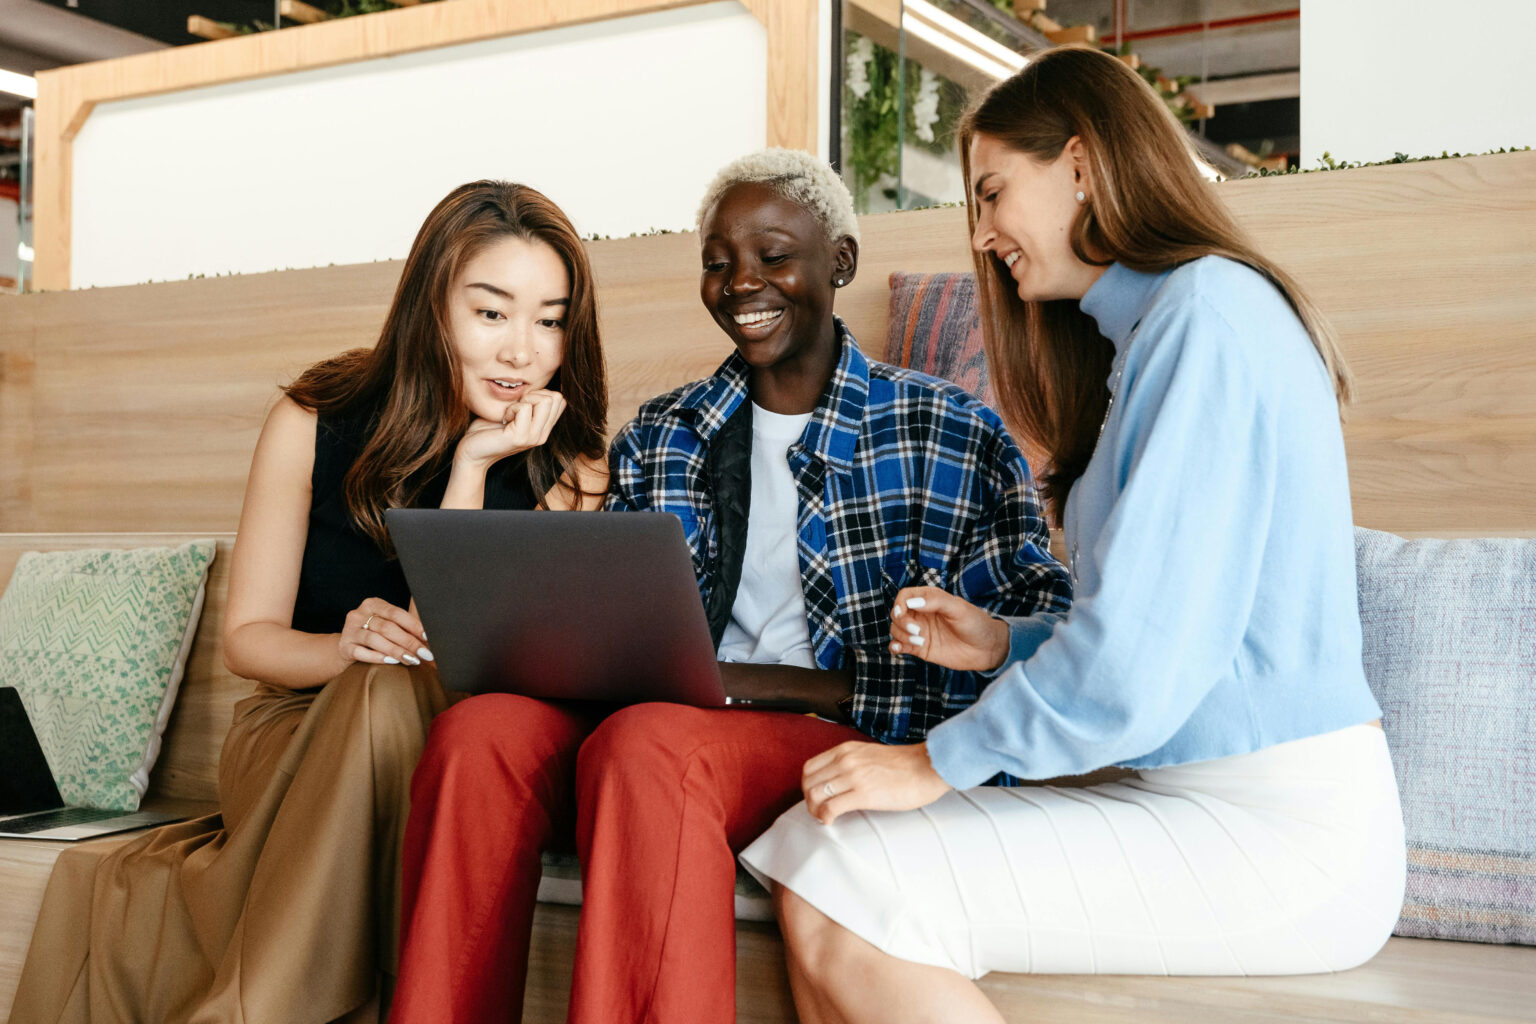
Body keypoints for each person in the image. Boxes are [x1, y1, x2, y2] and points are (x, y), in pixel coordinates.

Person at [740, 46, 1407, 1024]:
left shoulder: (1208, 314)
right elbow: (1181, 620)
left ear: (1085, 164)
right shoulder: (1150, 337)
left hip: (1281, 828)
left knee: (847, 871)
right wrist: (1010, 641)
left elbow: (1140, 660)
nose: (980, 231)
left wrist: (937, 762)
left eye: (994, 190)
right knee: (825, 860)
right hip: (1200, 799)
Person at [390, 148, 1071, 1024]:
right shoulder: (664, 432)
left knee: (651, 747)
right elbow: (613, 631)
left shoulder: (946, 428)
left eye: (775, 256)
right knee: (475, 735)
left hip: (816, 734)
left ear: (841, 263)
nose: (743, 282)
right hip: (653, 721)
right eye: (719, 262)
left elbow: (1036, 621)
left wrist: (744, 687)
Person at [8, 180, 609, 1024]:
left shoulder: (571, 470)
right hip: (293, 732)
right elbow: (248, 641)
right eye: (492, 314)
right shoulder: (315, 417)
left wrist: (475, 467)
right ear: (430, 308)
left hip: (453, 759)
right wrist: (343, 647)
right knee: (383, 686)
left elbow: (461, 657)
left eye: (549, 320)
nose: (523, 352)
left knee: (406, 695)